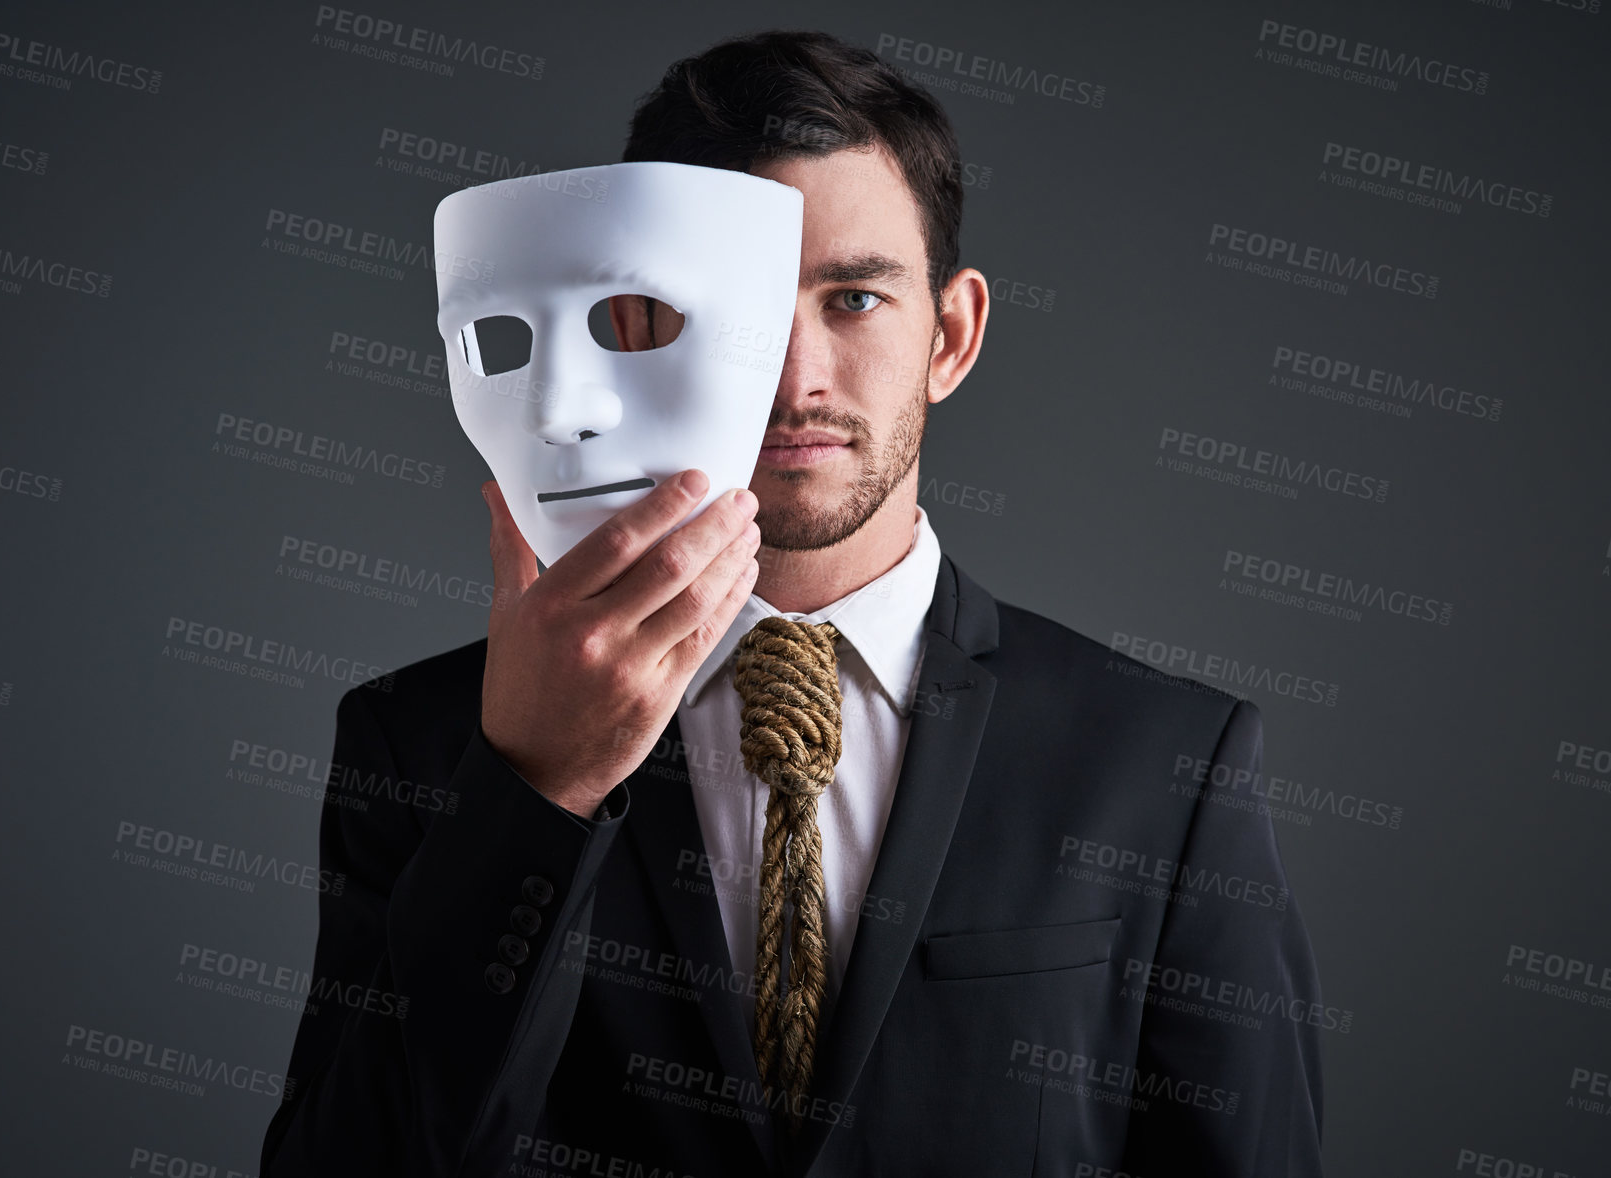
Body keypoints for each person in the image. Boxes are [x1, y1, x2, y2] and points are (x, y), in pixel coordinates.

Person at [260, 29, 1324, 1177]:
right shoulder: (426, 744)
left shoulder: (1161, 760)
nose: (793, 375)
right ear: (624, 327)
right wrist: (538, 791)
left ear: (949, 336)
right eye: (729, 309)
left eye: (855, 298)